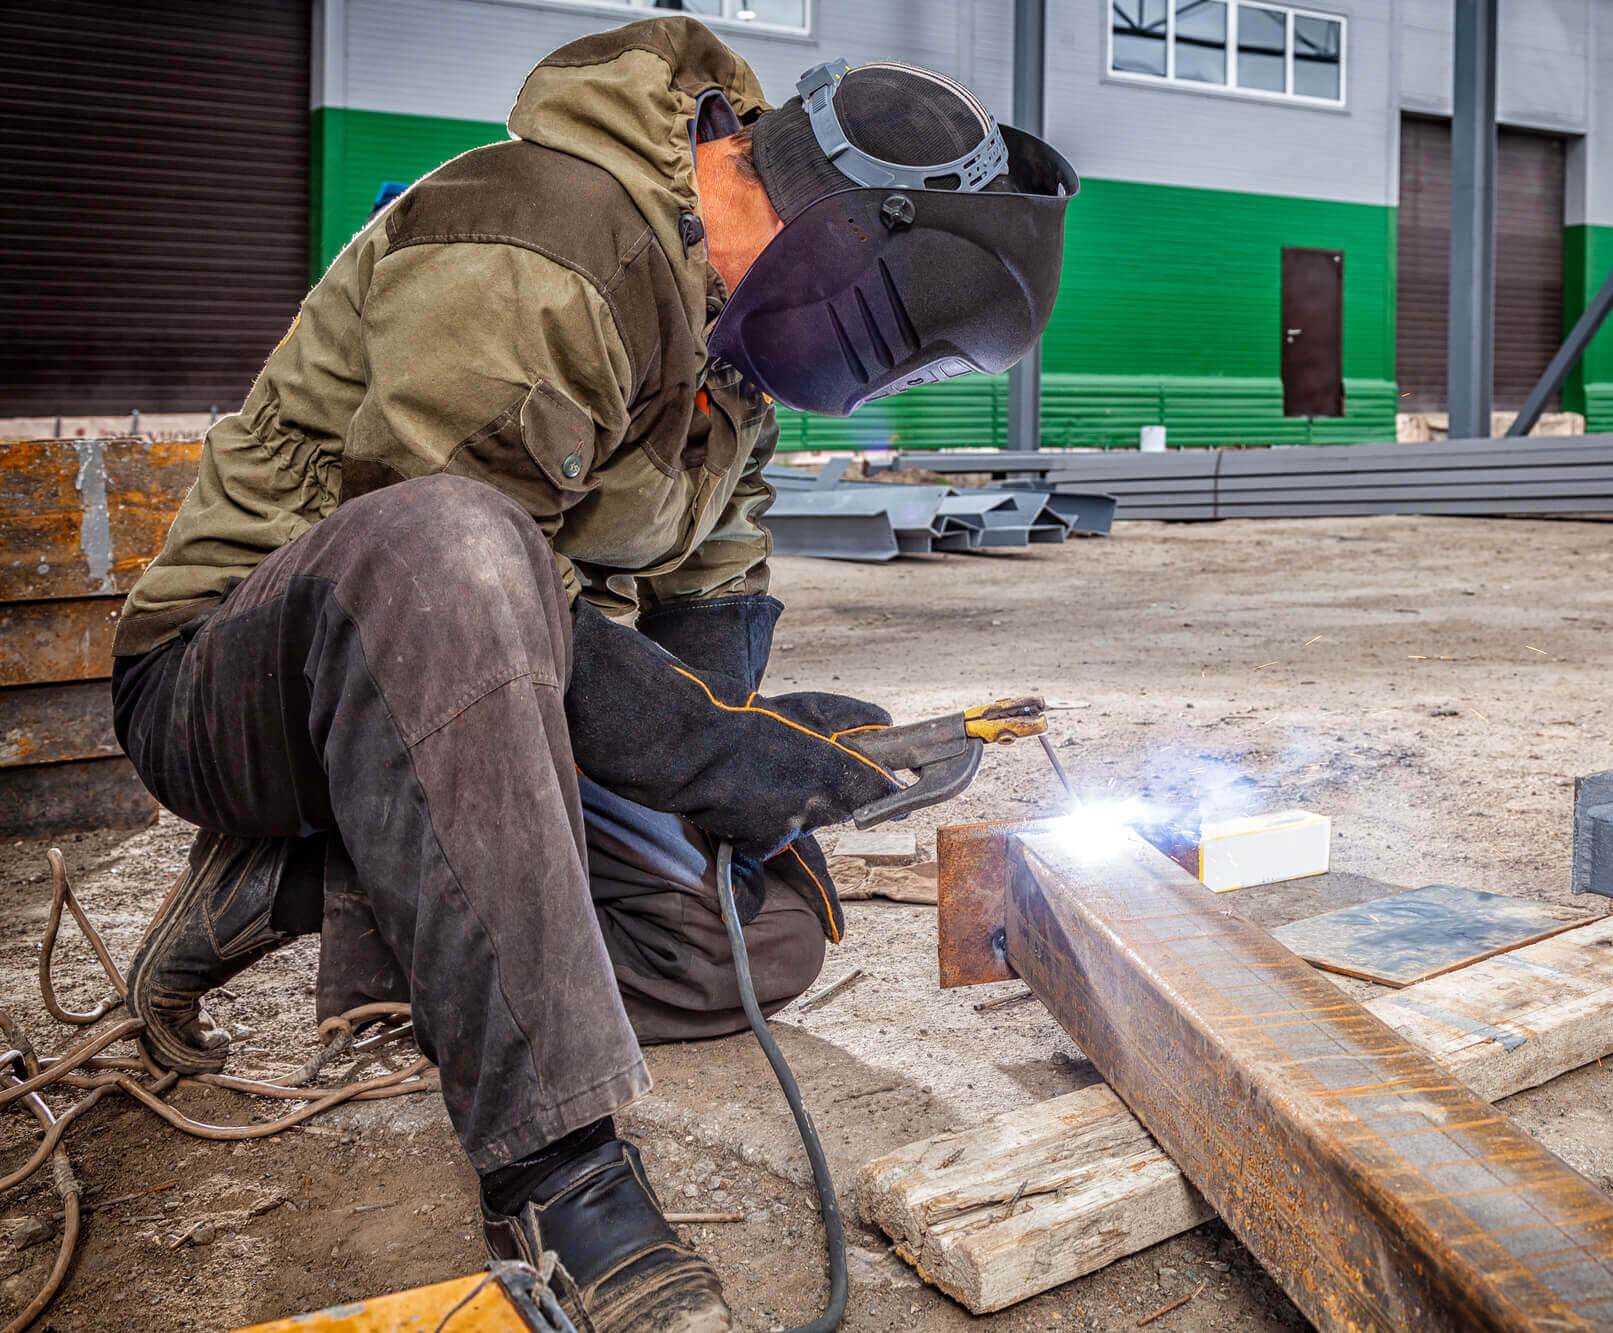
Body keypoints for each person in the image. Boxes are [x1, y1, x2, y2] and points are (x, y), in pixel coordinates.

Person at [106, 17, 1074, 1332]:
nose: (880, 382)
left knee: (756, 936)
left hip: (487, 705)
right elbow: (442, 576)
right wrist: (715, 748)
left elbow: (710, 593)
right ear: (854, 236)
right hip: (244, 678)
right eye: (901, 341)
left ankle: (312, 886)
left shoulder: (728, 358)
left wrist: (768, 762)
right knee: (464, 544)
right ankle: (554, 1171)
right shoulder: (553, 238)